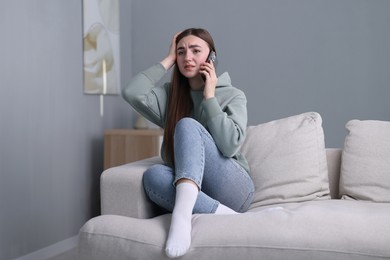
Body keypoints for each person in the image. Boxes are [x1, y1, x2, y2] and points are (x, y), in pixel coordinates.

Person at [122, 28, 254, 258]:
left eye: (195, 50)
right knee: (153, 175)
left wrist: (210, 98)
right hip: (200, 193)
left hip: (233, 187)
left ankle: (181, 218)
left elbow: (230, 146)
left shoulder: (233, 95)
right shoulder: (170, 96)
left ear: (211, 57)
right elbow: (132, 92)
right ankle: (228, 217)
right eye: (181, 52)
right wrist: (168, 60)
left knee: (187, 125)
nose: (187, 57)